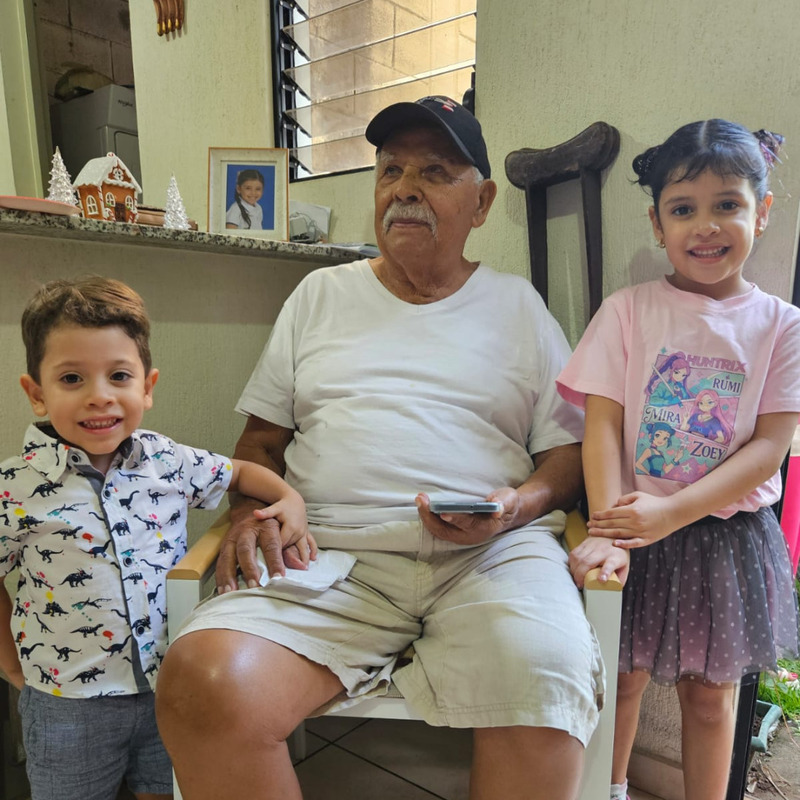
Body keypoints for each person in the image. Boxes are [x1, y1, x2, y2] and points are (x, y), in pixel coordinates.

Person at [156, 96, 602, 800]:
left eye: (435, 172)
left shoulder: (518, 306)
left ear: (482, 202)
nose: (405, 189)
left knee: (546, 679)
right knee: (203, 684)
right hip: (329, 554)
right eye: (391, 171)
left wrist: (517, 507)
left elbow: (568, 456)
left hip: (492, 558)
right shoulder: (318, 296)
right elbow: (260, 443)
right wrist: (247, 512)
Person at [557, 120, 800, 800]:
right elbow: (601, 426)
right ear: (657, 223)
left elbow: (769, 448)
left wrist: (671, 513)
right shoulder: (627, 310)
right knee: (618, 682)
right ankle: (608, 791)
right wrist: (611, 527)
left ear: (762, 212)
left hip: (727, 539)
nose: (706, 225)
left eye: (727, 204)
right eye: (683, 208)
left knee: (711, 699)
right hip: (630, 533)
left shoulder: (783, 325)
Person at [0, 277, 309, 800]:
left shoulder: (166, 460)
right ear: (37, 394)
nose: (100, 396)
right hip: (66, 703)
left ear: (147, 386)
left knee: (168, 789)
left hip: (169, 687)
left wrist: (289, 498)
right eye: (72, 378)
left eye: (119, 376)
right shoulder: (13, 487)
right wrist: (10, 664)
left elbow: (238, 472)